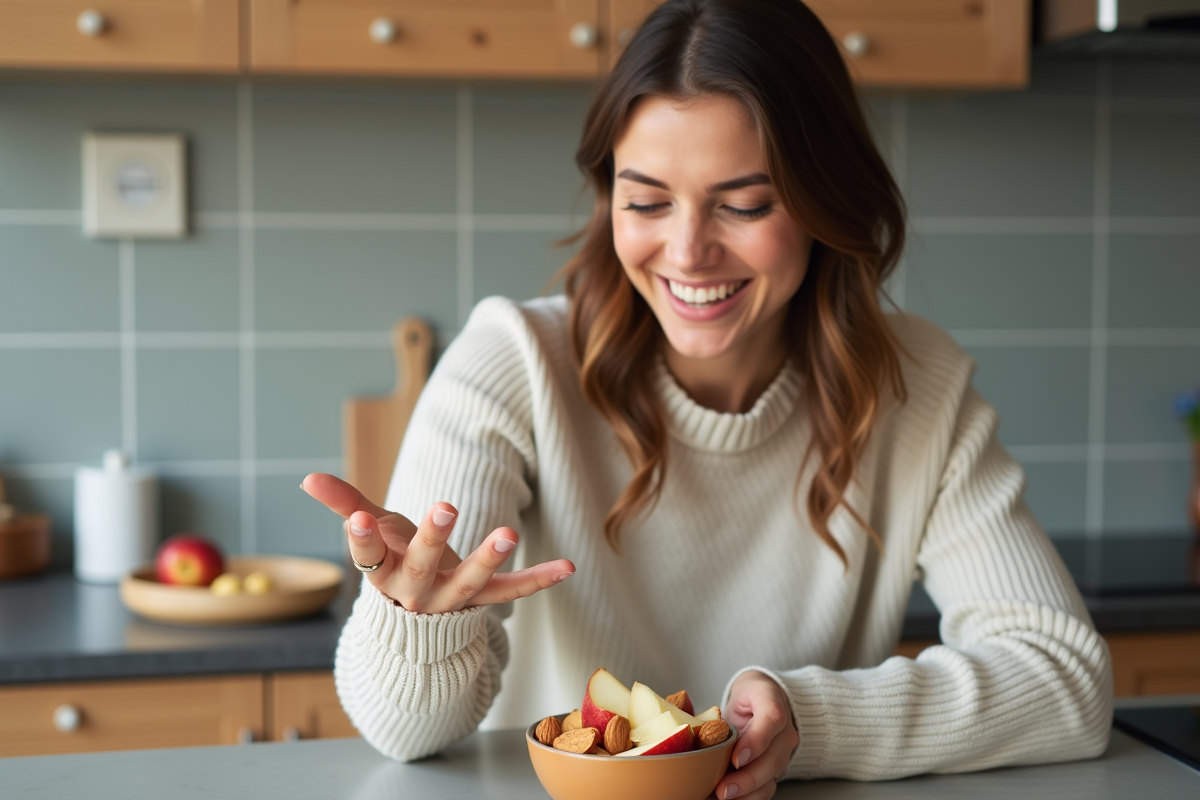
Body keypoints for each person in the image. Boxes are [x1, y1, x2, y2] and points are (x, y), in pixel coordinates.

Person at [304, 0, 1112, 795]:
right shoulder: (513, 363)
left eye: (745, 204)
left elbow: (1067, 682)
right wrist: (419, 623)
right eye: (647, 200)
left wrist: (810, 720)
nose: (688, 252)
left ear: (826, 199)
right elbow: (400, 732)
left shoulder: (918, 384)